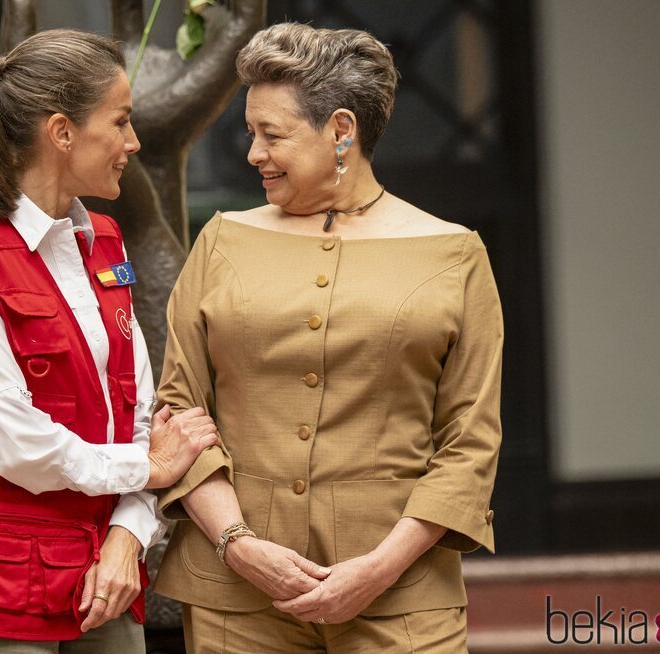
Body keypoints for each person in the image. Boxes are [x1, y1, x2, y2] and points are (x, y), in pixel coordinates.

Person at [153, 23, 503, 653]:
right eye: (251, 132)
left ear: (342, 131)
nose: (253, 153)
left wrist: (378, 569)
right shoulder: (222, 242)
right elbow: (177, 413)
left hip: (401, 598)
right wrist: (240, 546)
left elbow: (469, 444)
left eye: (272, 134)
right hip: (237, 598)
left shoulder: (454, 256)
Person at [0, 29, 219, 653]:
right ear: (62, 132)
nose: (133, 141)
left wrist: (130, 534)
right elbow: (10, 440)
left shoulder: (103, 240)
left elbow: (140, 418)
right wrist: (147, 469)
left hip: (104, 577)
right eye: (120, 121)